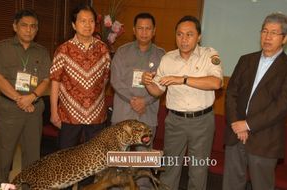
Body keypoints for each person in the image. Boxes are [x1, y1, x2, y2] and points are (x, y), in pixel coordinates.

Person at [142, 15, 223, 190]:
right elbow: (158, 91)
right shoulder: (168, 58)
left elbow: (216, 83)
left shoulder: (209, 54)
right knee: (170, 168)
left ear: (199, 37)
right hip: (175, 121)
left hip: (201, 122)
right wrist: (148, 82)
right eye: (179, 34)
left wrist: (183, 79)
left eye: (189, 34)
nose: (184, 39)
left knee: (198, 170)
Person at [223, 12, 287, 190]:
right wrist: (236, 123)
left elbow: (283, 106)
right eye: (264, 31)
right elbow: (231, 93)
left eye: (274, 33)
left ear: (285, 38)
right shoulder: (246, 60)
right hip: (235, 136)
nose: (267, 37)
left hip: (265, 141)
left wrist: (247, 124)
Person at [49, 4, 110, 189]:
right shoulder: (63, 49)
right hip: (69, 114)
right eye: (82, 21)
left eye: (91, 21)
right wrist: (54, 111)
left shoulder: (103, 49)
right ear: (74, 25)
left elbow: (105, 79)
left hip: (96, 115)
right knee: (66, 160)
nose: (87, 25)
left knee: (91, 161)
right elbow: (55, 81)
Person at [0, 9, 51, 186]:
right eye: (24, 25)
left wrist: (31, 97)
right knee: (3, 155)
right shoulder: (2, 48)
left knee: (32, 156)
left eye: (33, 26)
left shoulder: (42, 51)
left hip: (34, 109)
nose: (29, 30)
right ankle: (0, 187)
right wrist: (20, 99)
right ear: (15, 27)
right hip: (8, 109)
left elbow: (46, 79)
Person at [110, 12, 165, 190]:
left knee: (143, 163)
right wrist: (133, 100)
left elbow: (163, 84)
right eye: (140, 28)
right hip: (123, 113)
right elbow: (115, 81)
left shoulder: (161, 56)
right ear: (134, 30)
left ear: (154, 31)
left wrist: (145, 101)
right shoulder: (122, 51)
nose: (144, 32)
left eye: (148, 28)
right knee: (120, 161)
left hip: (146, 115)